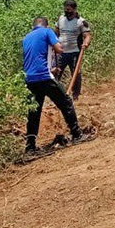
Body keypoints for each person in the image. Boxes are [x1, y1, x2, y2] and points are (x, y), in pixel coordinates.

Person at [23, 17, 84, 154]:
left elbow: (34, 59)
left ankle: (30, 147)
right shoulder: (47, 31)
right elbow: (59, 49)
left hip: (29, 79)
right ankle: (77, 134)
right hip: (44, 77)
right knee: (65, 102)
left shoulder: (26, 37)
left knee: (34, 112)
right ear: (46, 25)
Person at [54, 0, 91, 100]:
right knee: (57, 73)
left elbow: (87, 35)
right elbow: (56, 33)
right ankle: (56, 95)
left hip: (74, 52)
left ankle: (75, 95)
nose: (67, 12)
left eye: (69, 10)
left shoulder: (81, 22)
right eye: (66, 10)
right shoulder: (61, 19)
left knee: (76, 73)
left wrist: (86, 43)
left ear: (74, 9)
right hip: (61, 52)